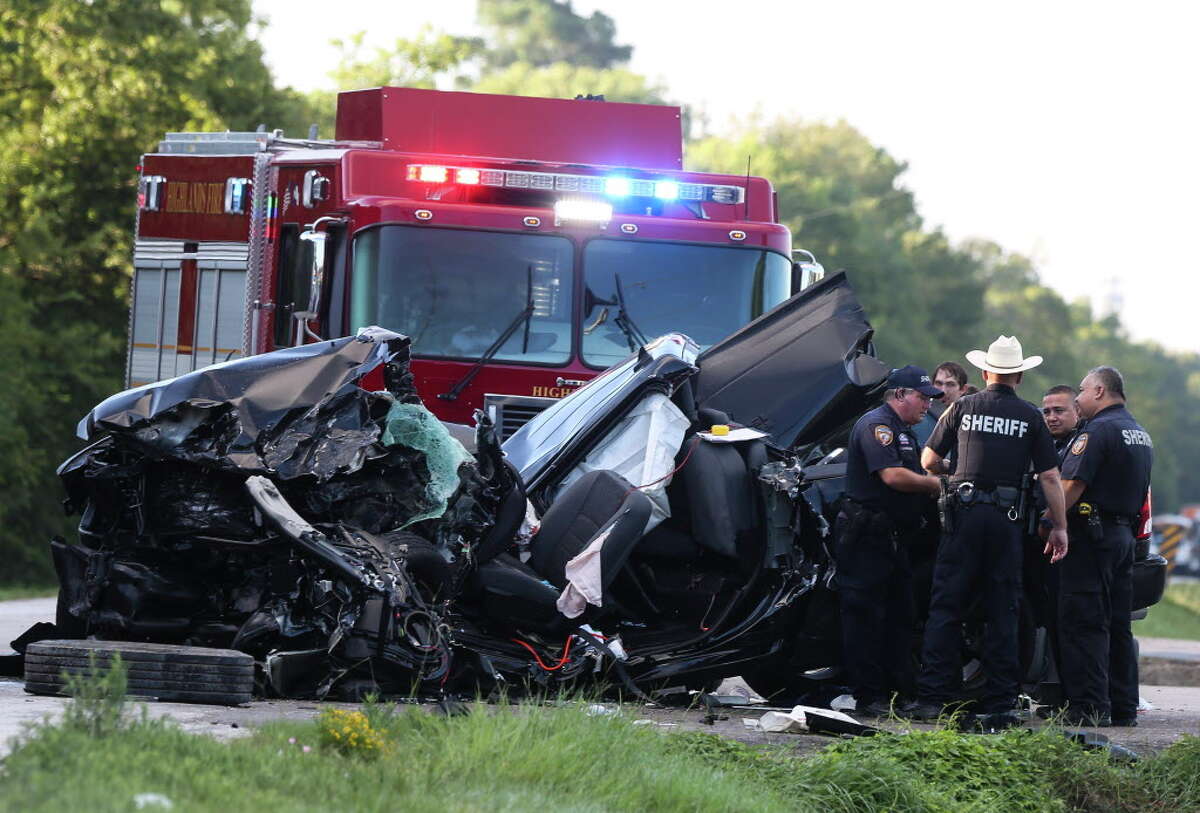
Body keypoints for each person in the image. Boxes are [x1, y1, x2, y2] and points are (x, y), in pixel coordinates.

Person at [905, 336, 1069, 727]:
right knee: (1003, 610)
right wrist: (1059, 526)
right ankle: (1000, 703)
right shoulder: (1030, 416)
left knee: (945, 608)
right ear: (1020, 376)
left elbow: (928, 459)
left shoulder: (962, 406)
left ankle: (932, 700)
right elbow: (1049, 475)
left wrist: (959, 474)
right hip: (1006, 521)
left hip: (962, 517)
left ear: (983, 373)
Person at [838, 365, 943, 715]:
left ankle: (896, 692)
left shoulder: (904, 430)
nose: (927, 404)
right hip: (868, 535)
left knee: (900, 615)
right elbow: (894, 476)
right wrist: (935, 485)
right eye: (922, 397)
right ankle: (869, 697)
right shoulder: (877, 426)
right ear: (900, 395)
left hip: (892, 538)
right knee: (865, 616)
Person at [1055, 366, 1153, 727]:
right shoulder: (1139, 432)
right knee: (1118, 626)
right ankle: (1123, 707)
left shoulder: (1097, 431)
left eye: (1081, 392)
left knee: (1084, 623)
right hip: (1123, 538)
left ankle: (1089, 709)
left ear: (1099, 391)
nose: (1077, 399)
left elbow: (1071, 487)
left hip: (1091, 539)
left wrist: (1048, 524)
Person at [1042, 385, 1081, 454]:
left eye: (1059, 410)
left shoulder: (1088, 444)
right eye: (1046, 412)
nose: (1051, 418)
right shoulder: (1042, 446)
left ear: (1077, 410)